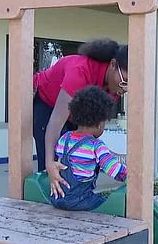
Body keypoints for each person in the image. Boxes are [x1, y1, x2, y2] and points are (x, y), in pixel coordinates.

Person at [32, 38, 128, 194]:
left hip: (74, 113)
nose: (125, 89)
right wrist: (49, 163)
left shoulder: (114, 86)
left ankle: (80, 194)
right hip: (47, 103)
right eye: (125, 82)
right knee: (55, 162)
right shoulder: (80, 71)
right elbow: (55, 123)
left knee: (81, 157)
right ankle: (51, 200)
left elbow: (96, 131)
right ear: (112, 65)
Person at [50, 86, 129, 210]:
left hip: (58, 198)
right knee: (106, 204)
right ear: (99, 124)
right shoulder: (96, 146)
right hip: (81, 201)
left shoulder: (64, 139)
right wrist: (131, 175)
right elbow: (114, 170)